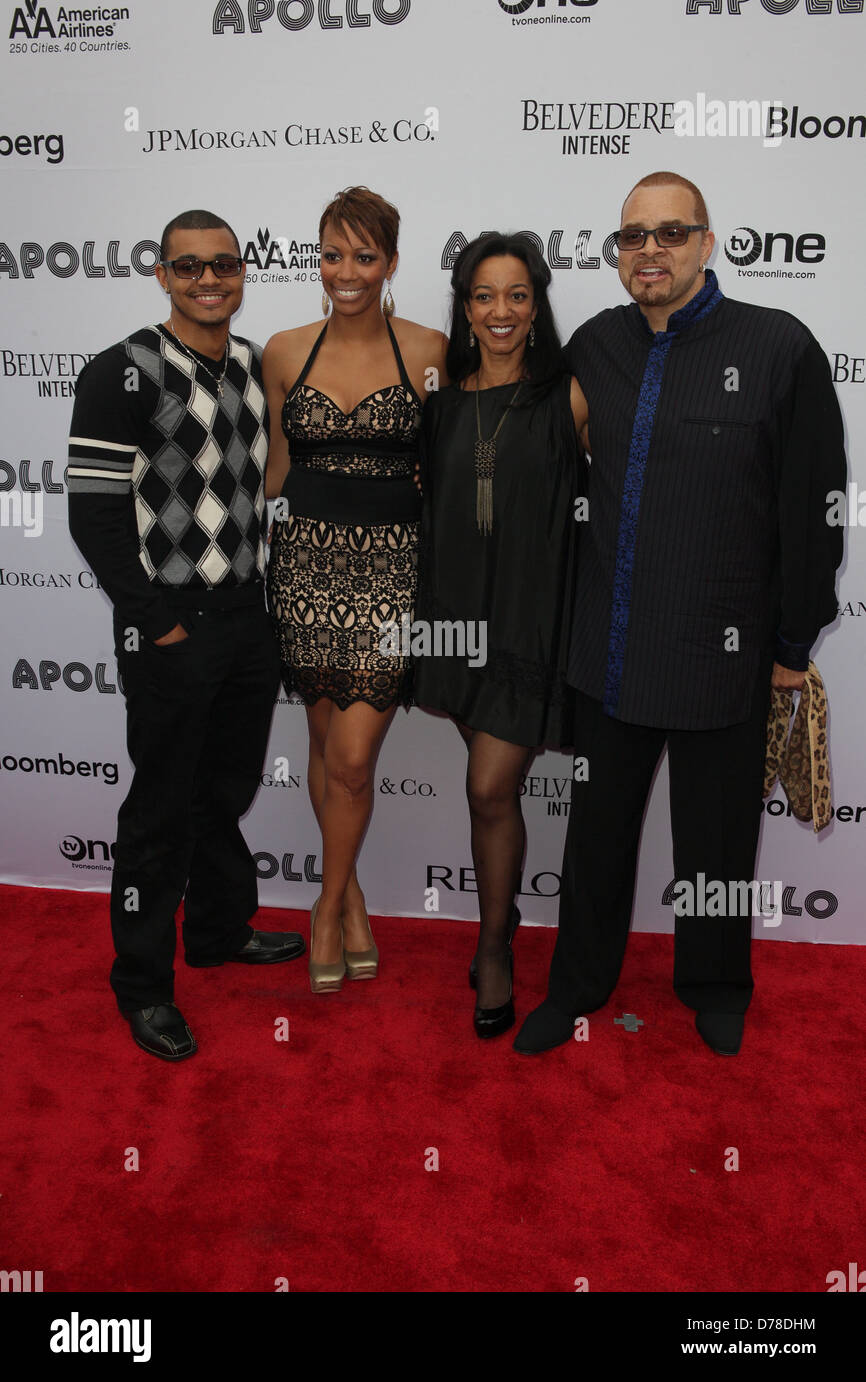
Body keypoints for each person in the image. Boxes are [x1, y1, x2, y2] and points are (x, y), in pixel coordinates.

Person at [514, 172, 846, 1058]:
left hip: (726, 653)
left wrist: (789, 643)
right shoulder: (593, 347)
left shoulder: (780, 348)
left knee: (718, 842)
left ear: (706, 243)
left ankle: (715, 984)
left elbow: (815, 510)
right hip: (609, 652)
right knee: (594, 845)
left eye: (669, 233)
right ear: (617, 253)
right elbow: (533, 459)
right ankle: (578, 985)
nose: (648, 251)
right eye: (632, 238)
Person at [68, 208, 304, 1063]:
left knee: (226, 791)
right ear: (162, 275)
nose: (210, 280)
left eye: (225, 265)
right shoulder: (120, 372)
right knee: (162, 811)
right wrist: (155, 620)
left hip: (247, 617)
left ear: (243, 273)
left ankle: (214, 929)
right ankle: (141, 988)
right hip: (172, 622)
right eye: (190, 266)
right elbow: (93, 519)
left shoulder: (249, 364)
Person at [264, 186, 447, 993]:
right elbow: (273, 471)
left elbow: (444, 470)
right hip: (303, 569)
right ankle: (356, 900)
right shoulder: (282, 350)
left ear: (392, 263)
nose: (345, 271)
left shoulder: (429, 349)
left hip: (390, 577)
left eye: (363, 256)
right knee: (320, 744)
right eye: (331, 254)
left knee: (350, 759)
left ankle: (323, 905)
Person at [413, 233, 587, 1038]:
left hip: (529, 624)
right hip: (453, 626)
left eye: (517, 294)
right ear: (465, 306)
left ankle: (493, 946)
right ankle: (501, 920)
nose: (501, 312)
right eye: (484, 296)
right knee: (491, 793)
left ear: (537, 302)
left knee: (489, 788)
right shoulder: (441, 400)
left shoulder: (569, 398)